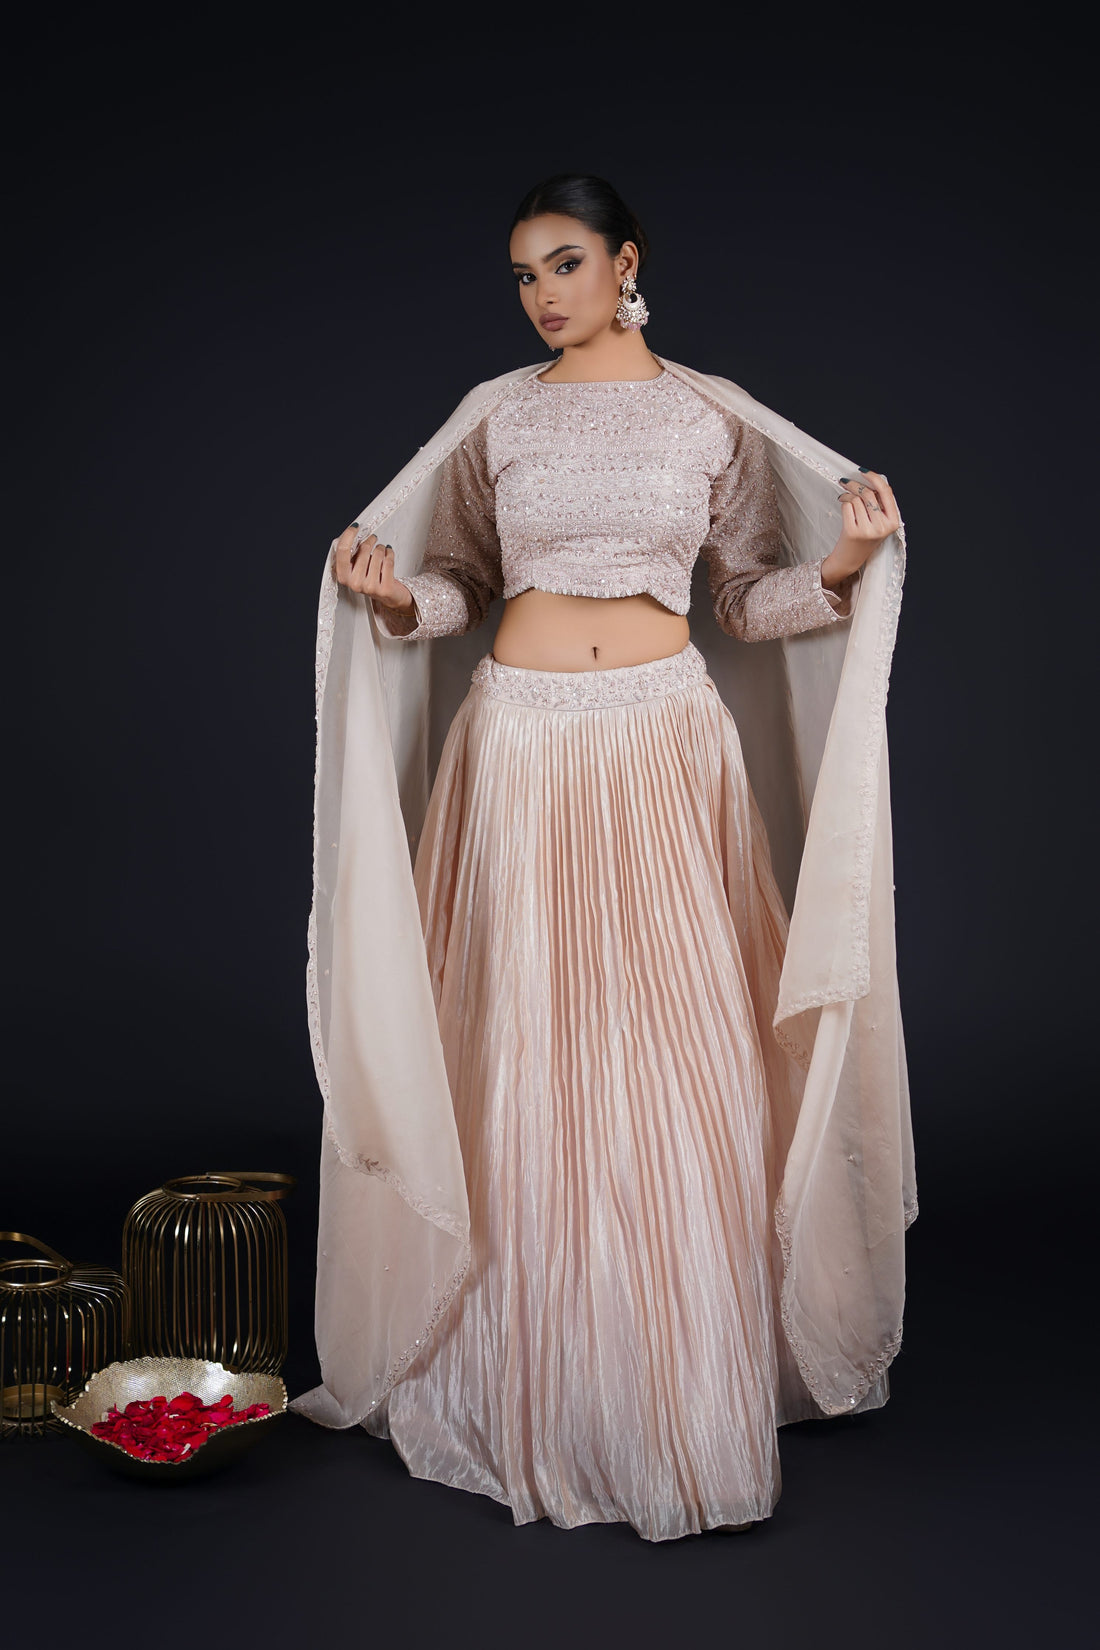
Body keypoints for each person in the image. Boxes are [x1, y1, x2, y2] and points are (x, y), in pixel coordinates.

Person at [289, 174, 917, 1542]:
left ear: (627, 262)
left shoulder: (709, 415)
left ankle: (674, 1399)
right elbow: (457, 579)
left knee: (679, 1055)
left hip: (662, 754)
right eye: (521, 276)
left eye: (564, 265)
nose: (542, 296)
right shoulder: (498, 417)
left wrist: (853, 561)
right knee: (528, 1055)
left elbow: (750, 597)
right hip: (517, 750)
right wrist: (400, 596)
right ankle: (539, 1391)